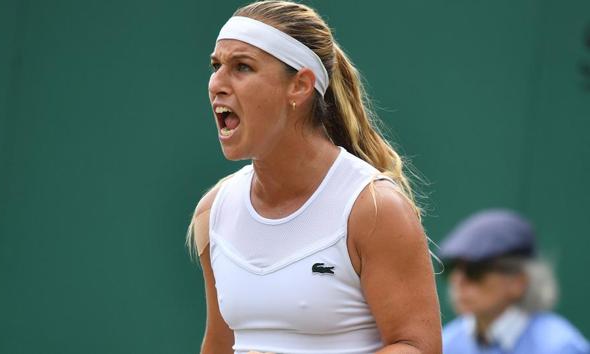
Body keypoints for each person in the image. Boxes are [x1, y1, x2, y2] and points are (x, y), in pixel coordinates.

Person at [186, 1, 441, 353]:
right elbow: (219, 344)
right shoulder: (212, 212)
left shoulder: (373, 208)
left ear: (300, 86)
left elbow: (419, 347)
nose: (217, 84)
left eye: (242, 67)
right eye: (216, 66)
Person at [440, 209, 589, 354]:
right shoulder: (446, 344)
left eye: (475, 270)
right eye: (451, 268)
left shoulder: (560, 348)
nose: (457, 280)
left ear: (519, 282)